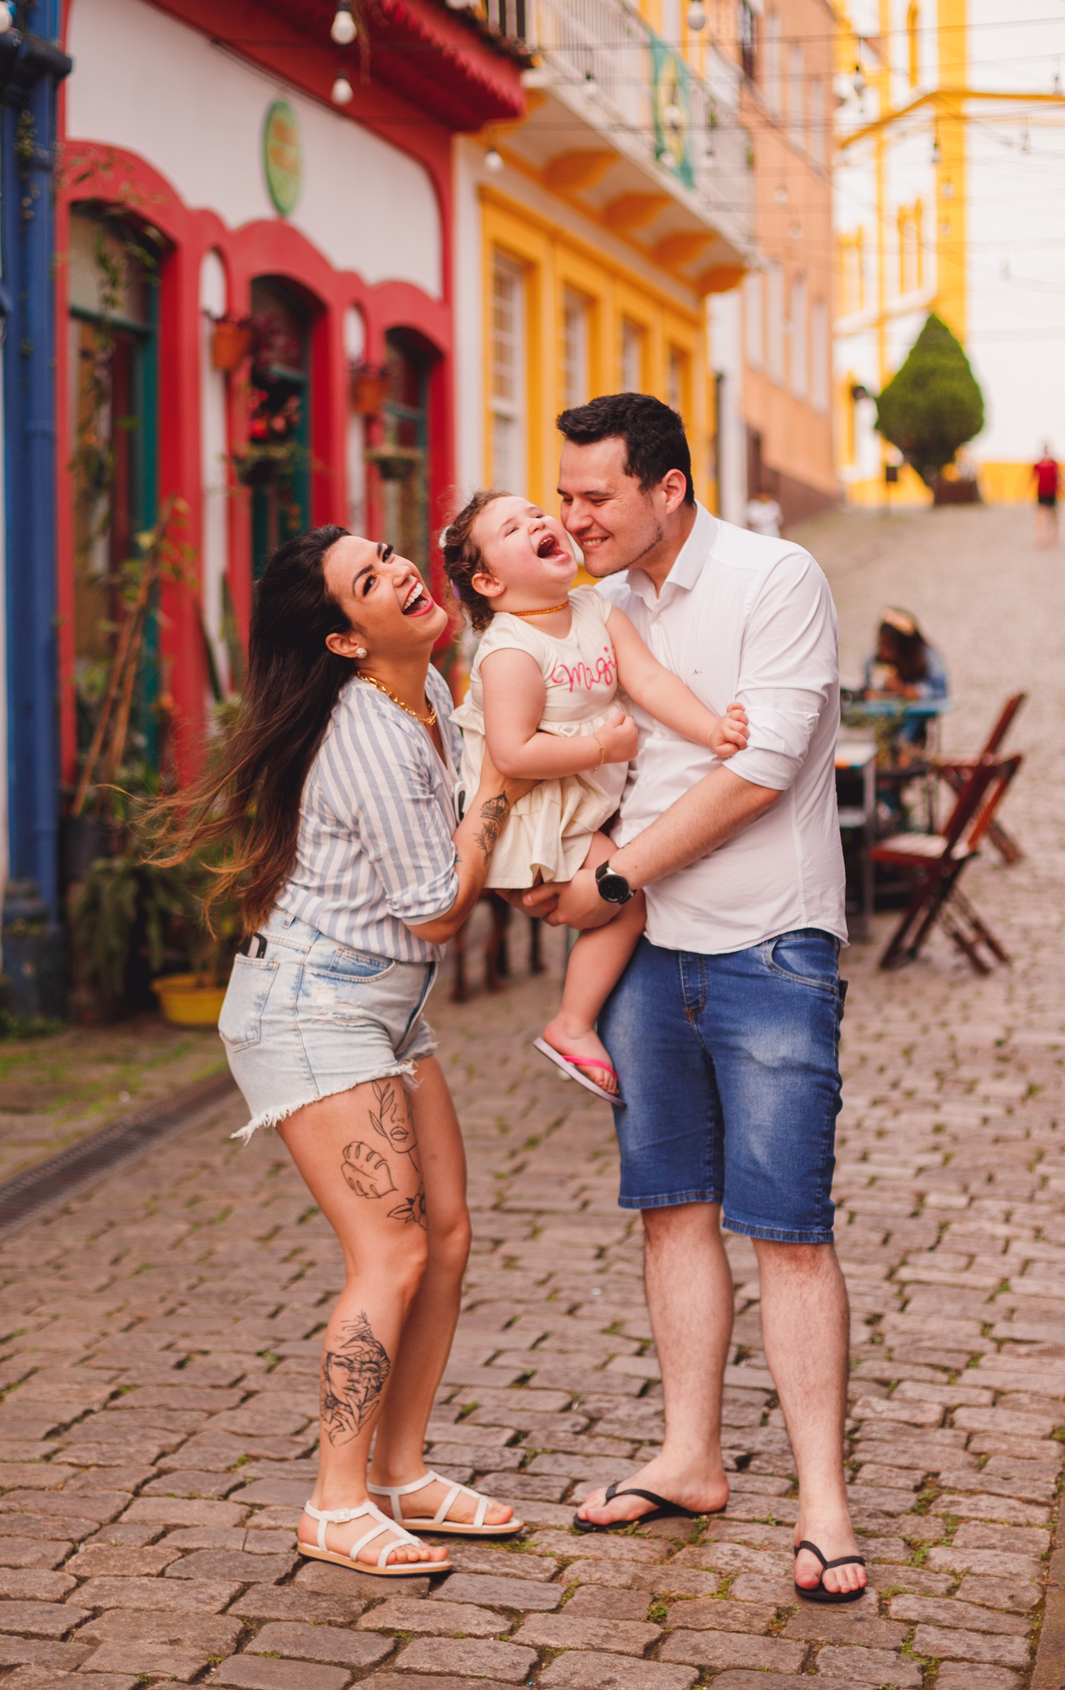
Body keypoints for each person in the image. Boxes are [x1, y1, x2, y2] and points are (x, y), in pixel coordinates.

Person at [519, 393, 866, 1607]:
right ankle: (691, 1457)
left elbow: (759, 772)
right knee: (672, 1213)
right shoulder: (603, 609)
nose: (574, 518)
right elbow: (608, 754)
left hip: (771, 947)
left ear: (668, 488)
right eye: (563, 496)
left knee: (790, 1230)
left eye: (596, 496)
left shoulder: (777, 578)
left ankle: (823, 1500)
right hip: (648, 960)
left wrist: (610, 874)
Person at [154, 526, 531, 1580]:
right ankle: (332, 1501)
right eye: (371, 580)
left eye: (392, 556)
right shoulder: (367, 733)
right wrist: (501, 782)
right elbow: (434, 910)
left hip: (381, 1010)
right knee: (394, 1251)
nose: (404, 572)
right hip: (312, 1010)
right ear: (342, 639)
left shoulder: (431, 697)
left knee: (447, 1236)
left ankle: (401, 1474)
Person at [442, 491, 747, 1102]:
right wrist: (605, 751)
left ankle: (579, 1019)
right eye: (513, 528)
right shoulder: (509, 652)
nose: (539, 522)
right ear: (488, 581)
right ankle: (572, 1024)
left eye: (536, 514)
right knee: (626, 898)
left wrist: (710, 729)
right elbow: (512, 755)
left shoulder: (593, 608)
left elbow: (649, 679)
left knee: (622, 893)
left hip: (576, 806)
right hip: (533, 815)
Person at [864, 607, 948, 702]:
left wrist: (904, 690)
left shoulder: (928, 657)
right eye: (881, 645)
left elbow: (941, 693)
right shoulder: (873, 660)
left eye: (890, 647)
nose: (885, 654)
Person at [1032, 443, 1059, 549]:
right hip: (1042, 492)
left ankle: (1054, 534)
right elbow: (1033, 477)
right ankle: (1043, 537)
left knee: (1053, 515)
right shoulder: (1038, 464)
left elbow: (1058, 477)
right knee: (1042, 515)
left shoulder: (1053, 464)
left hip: (1052, 492)